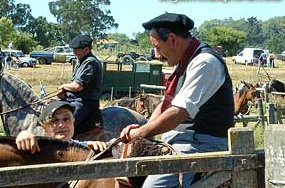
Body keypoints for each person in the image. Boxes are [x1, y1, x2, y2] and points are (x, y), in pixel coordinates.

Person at [120, 13, 234, 187]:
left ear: (172, 40)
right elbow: (166, 105)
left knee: (153, 186)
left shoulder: (205, 62)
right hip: (181, 140)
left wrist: (141, 133)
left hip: (202, 144)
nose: (157, 55)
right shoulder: (184, 62)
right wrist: (141, 132)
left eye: (157, 47)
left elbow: (178, 112)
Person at [16, 100, 107, 154]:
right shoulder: (38, 147)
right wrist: (23, 135)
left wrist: (91, 145)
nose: (61, 125)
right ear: (44, 126)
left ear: (73, 122)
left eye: (66, 119)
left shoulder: (81, 145)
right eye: (55, 120)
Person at [57, 34, 103, 135]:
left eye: (76, 49)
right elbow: (73, 84)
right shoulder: (81, 62)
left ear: (86, 49)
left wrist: (64, 86)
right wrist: (65, 92)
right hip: (74, 100)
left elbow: (78, 86)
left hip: (85, 103)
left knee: (65, 126)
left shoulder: (91, 62)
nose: (73, 51)